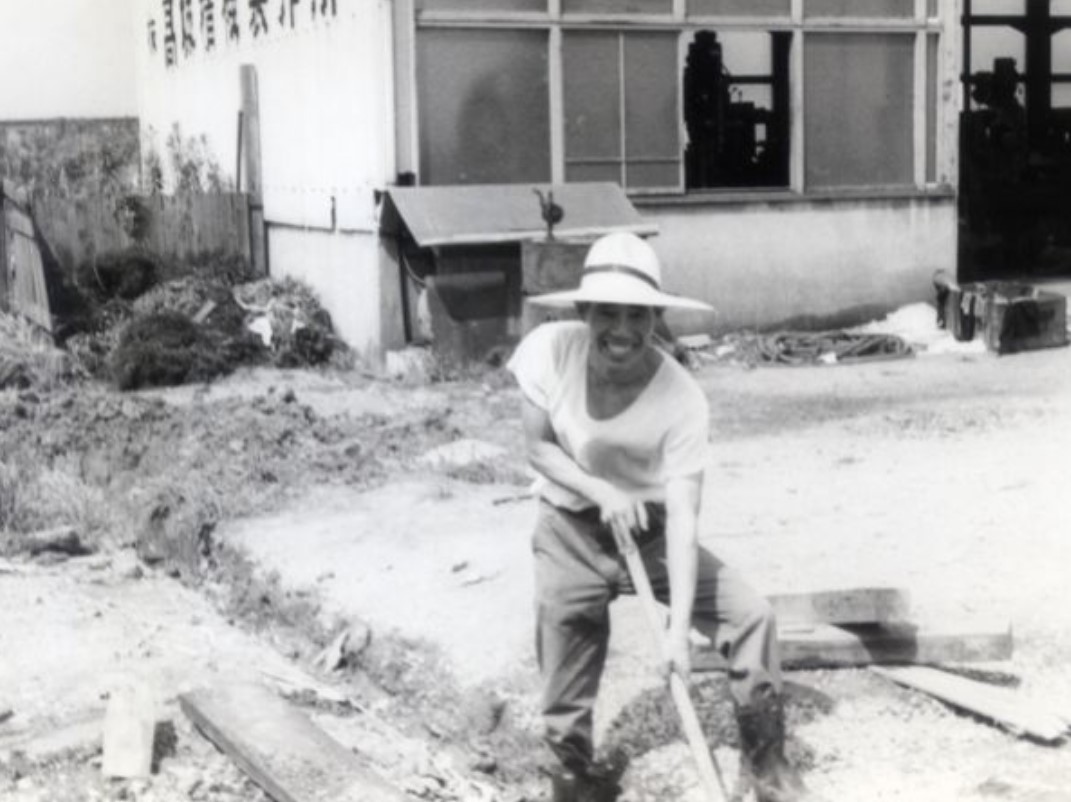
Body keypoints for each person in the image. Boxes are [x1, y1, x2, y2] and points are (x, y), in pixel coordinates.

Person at [506, 232, 805, 802]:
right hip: (567, 529)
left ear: (656, 318)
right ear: (583, 312)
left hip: (651, 535)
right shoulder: (549, 351)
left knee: (752, 618)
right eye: (608, 313)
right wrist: (599, 489)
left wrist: (677, 633)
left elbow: (687, 517)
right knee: (564, 638)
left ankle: (767, 767)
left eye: (638, 315)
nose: (622, 331)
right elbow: (538, 449)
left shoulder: (682, 398)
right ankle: (574, 775)